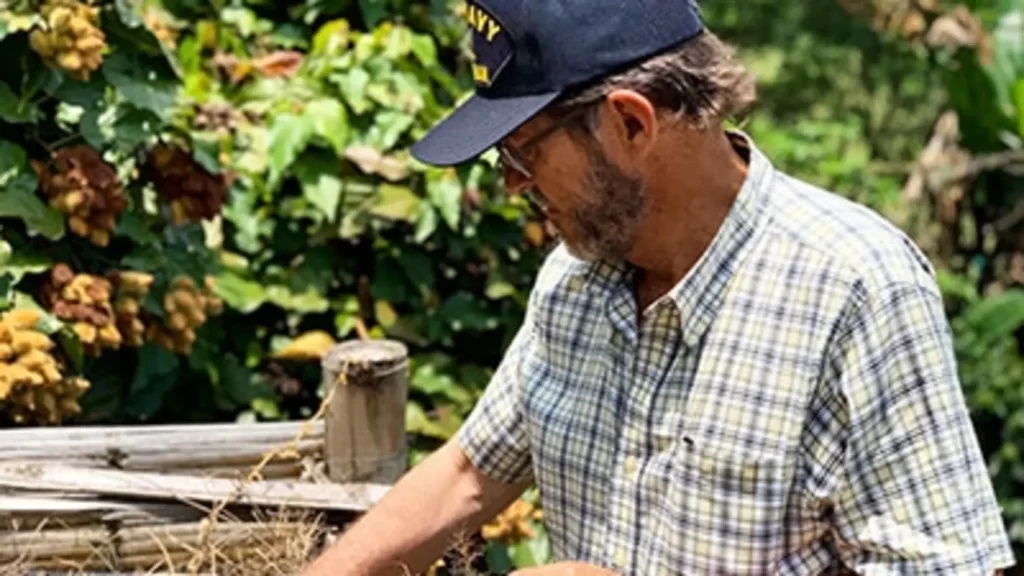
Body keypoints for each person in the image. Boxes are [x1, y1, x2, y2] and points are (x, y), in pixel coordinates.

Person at [302, 0, 1017, 574]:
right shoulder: (576, 279)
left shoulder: (857, 291)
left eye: (522, 154)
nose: (513, 185)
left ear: (630, 122)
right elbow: (467, 473)